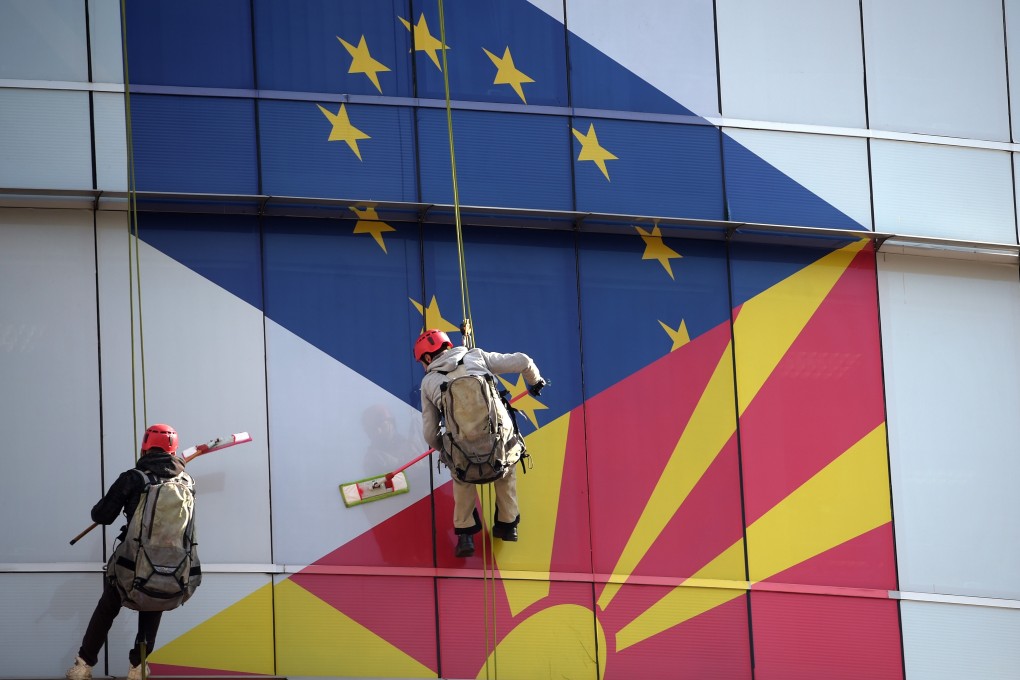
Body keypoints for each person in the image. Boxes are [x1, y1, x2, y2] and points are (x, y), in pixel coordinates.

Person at [66, 424, 189, 680]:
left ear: (145, 445)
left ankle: (83, 666)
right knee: (152, 605)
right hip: (170, 564)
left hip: (130, 560)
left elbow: (101, 515)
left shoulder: (134, 477)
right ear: (173, 448)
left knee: (107, 607)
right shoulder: (185, 481)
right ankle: (138, 668)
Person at [414, 329, 546, 558]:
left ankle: (465, 534)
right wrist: (535, 382)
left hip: (464, 449)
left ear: (427, 358)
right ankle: (508, 525)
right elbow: (523, 360)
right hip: (499, 441)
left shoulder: (429, 382)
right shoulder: (476, 356)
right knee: (505, 470)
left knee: (462, 477)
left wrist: (446, 451)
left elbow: (429, 433)